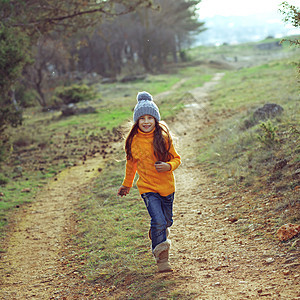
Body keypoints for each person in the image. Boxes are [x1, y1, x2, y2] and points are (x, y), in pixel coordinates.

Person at [118, 91, 181, 273]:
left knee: (166, 222)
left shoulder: (163, 137)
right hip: (147, 188)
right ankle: (162, 260)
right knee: (158, 220)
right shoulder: (134, 141)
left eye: (150, 118)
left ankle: (157, 232)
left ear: (155, 119)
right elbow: (131, 166)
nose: (146, 122)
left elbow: (177, 159)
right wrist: (127, 185)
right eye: (142, 118)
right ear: (137, 121)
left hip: (167, 187)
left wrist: (168, 166)